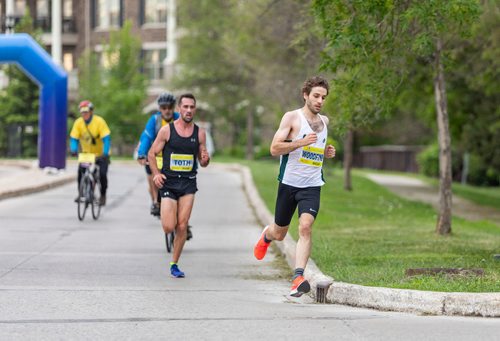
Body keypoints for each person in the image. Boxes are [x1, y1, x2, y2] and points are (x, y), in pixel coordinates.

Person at [253, 76, 336, 297]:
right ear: (306, 95)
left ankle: (298, 277)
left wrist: (326, 152)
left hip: (312, 185)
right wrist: (300, 142)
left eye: (323, 97)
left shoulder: (325, 122)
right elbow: (274, 148)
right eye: (316, 96)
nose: (320, 101)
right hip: (289, 185)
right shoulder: (292, 118)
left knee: (305, 227)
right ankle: (267, 236)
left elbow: (316, 149)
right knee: (280, 233)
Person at [148, 93, 210, 278]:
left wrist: (206, 159)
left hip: (188, 184)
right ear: (179, 109)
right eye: (185, 107)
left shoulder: (200, 133)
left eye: (192, 107)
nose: (189, 110)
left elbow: (203, 159)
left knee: (182, 226)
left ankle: (174, 264)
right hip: (168, 183)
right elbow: (152, 154)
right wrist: (156, 175)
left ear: (195, 109)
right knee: (169, 227)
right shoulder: (167, 131)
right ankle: (170, 216)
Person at [137, 92, 179, 216]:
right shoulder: (154, 120)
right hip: (155, 155)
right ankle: (156, 201)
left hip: (173, 156)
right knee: (152, 177)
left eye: (170, 107)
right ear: (159, 109)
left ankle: (183, 221)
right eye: (164, 108)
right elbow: (147, 137)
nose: (167, 111)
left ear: (174, 107)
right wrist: (141, 153)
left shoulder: (179, 119)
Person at [70, 100, 111, 206]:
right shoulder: (78, 123)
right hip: (87, 154)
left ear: (91, 112)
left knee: (102, 175)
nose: (84, 114)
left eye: (86, 112)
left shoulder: (99, 121)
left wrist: (105, 153)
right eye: (82, 112)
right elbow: (74, 138)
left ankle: (102, 195)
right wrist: (74, 150)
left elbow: (106, 139)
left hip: (100, 154)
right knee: (81, 172)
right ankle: (81, 193)